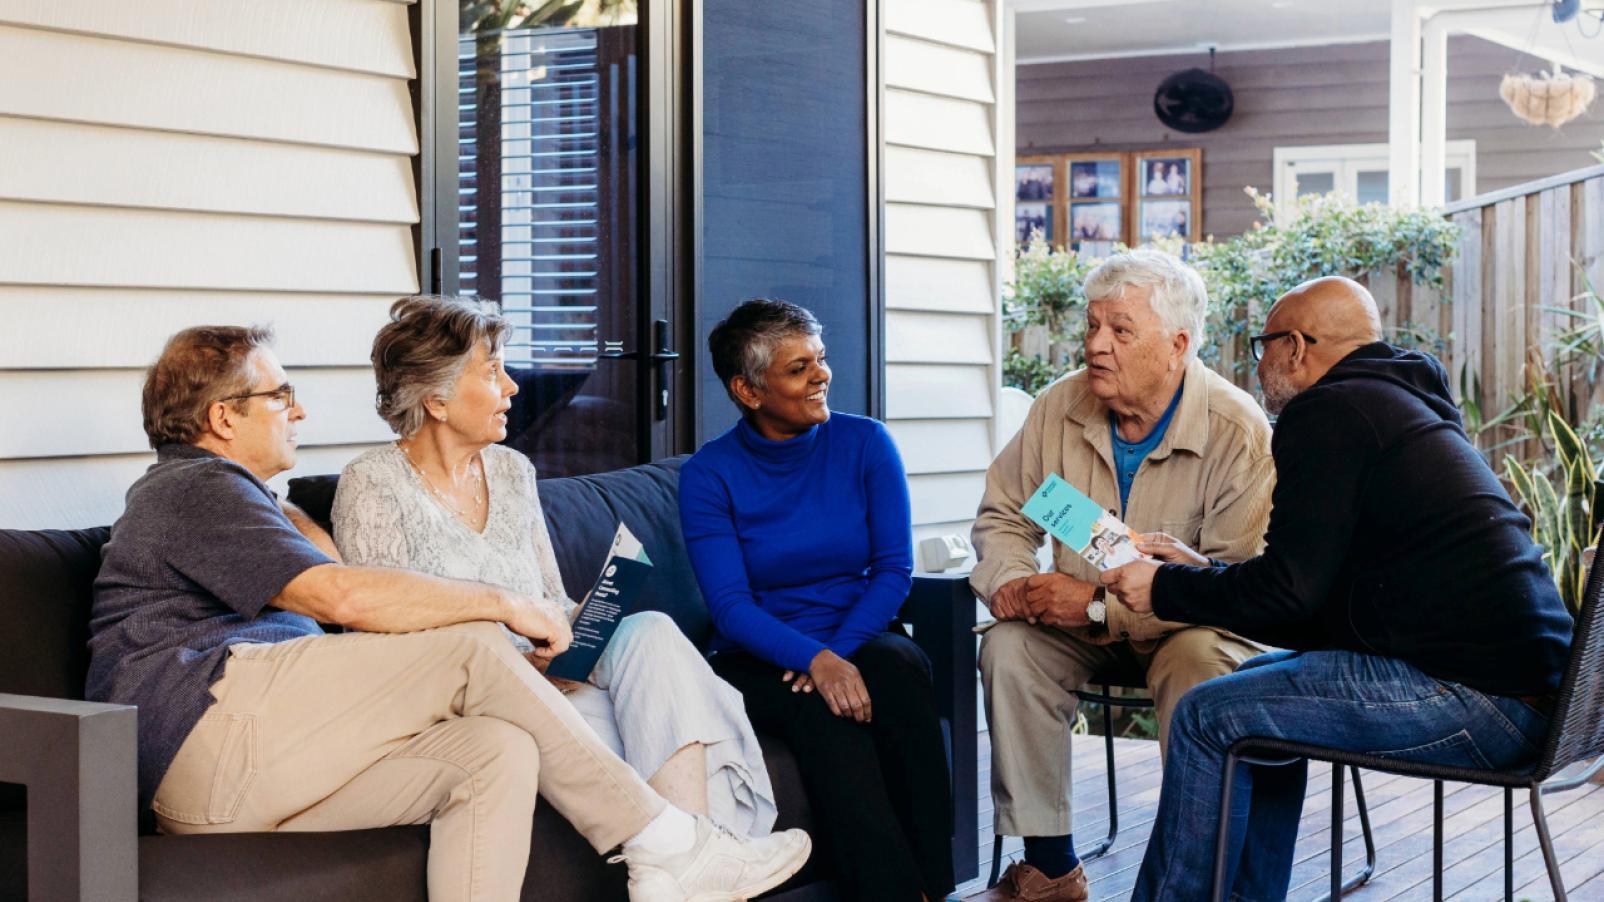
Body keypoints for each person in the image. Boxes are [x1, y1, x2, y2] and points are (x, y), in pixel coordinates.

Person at [86, 325, 811, 902]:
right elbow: (343, 597)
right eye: (280, 395)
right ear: (222, 416)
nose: (300, 409)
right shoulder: (193, 488)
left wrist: (290, 511)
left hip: (237, 782)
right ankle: (667, 846)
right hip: (209, 732)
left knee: (496, 753)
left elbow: (332, 571)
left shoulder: (241, 503)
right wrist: (507, 604)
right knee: (471, 644)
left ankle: (675, 854)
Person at [1101, 276, 1575, 901]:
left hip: (1481, 699)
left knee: (1207, 713)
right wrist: (1201, 575)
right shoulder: (1399, 404)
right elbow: (1316, 600)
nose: (1259, 364)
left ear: (1295, 347)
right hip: (1542, 702)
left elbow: (1288, 594)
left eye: (1262, 346)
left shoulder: (1329, 411)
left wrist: (1164, 589)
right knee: (1248, 699)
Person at [331, 296, 779, 838]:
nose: (513, 387)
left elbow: (553, 601)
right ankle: (705, 854)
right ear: (437, 400)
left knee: (653, 630)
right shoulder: (373, 482)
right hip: (471, 701)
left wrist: (591, 616)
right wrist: (517, 663)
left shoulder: (513, 471)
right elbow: (382, 633)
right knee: (658, 726)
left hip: (553, 680)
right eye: (492, 372)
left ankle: (691, 860)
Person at [965, 250, 1274, 902]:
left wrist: (1101, 608)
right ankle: (1050, 868)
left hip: (1191, 629)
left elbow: (1240, 586)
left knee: (1199, 660)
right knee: (1009, 645)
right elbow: (1003, 516)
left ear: (1177, 345)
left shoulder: (1235, 428)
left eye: (1121, 331)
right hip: (1079, 623)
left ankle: (1194, 868)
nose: (1096, 346)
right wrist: (1013, 582)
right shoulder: (1058, 407)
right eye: (1092, 326)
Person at [678, 299, 954, 902]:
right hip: (756, 652)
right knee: (829, 720)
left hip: (853, 632)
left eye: (820, 359)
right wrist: (812, 662)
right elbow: (730, 606)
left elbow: (892, 570)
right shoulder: (709, 475)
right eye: (799, 367)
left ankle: (938, 887)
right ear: (748, 391)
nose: (821, 374)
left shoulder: (865, 443)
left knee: (902, 671)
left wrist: (835, 654)